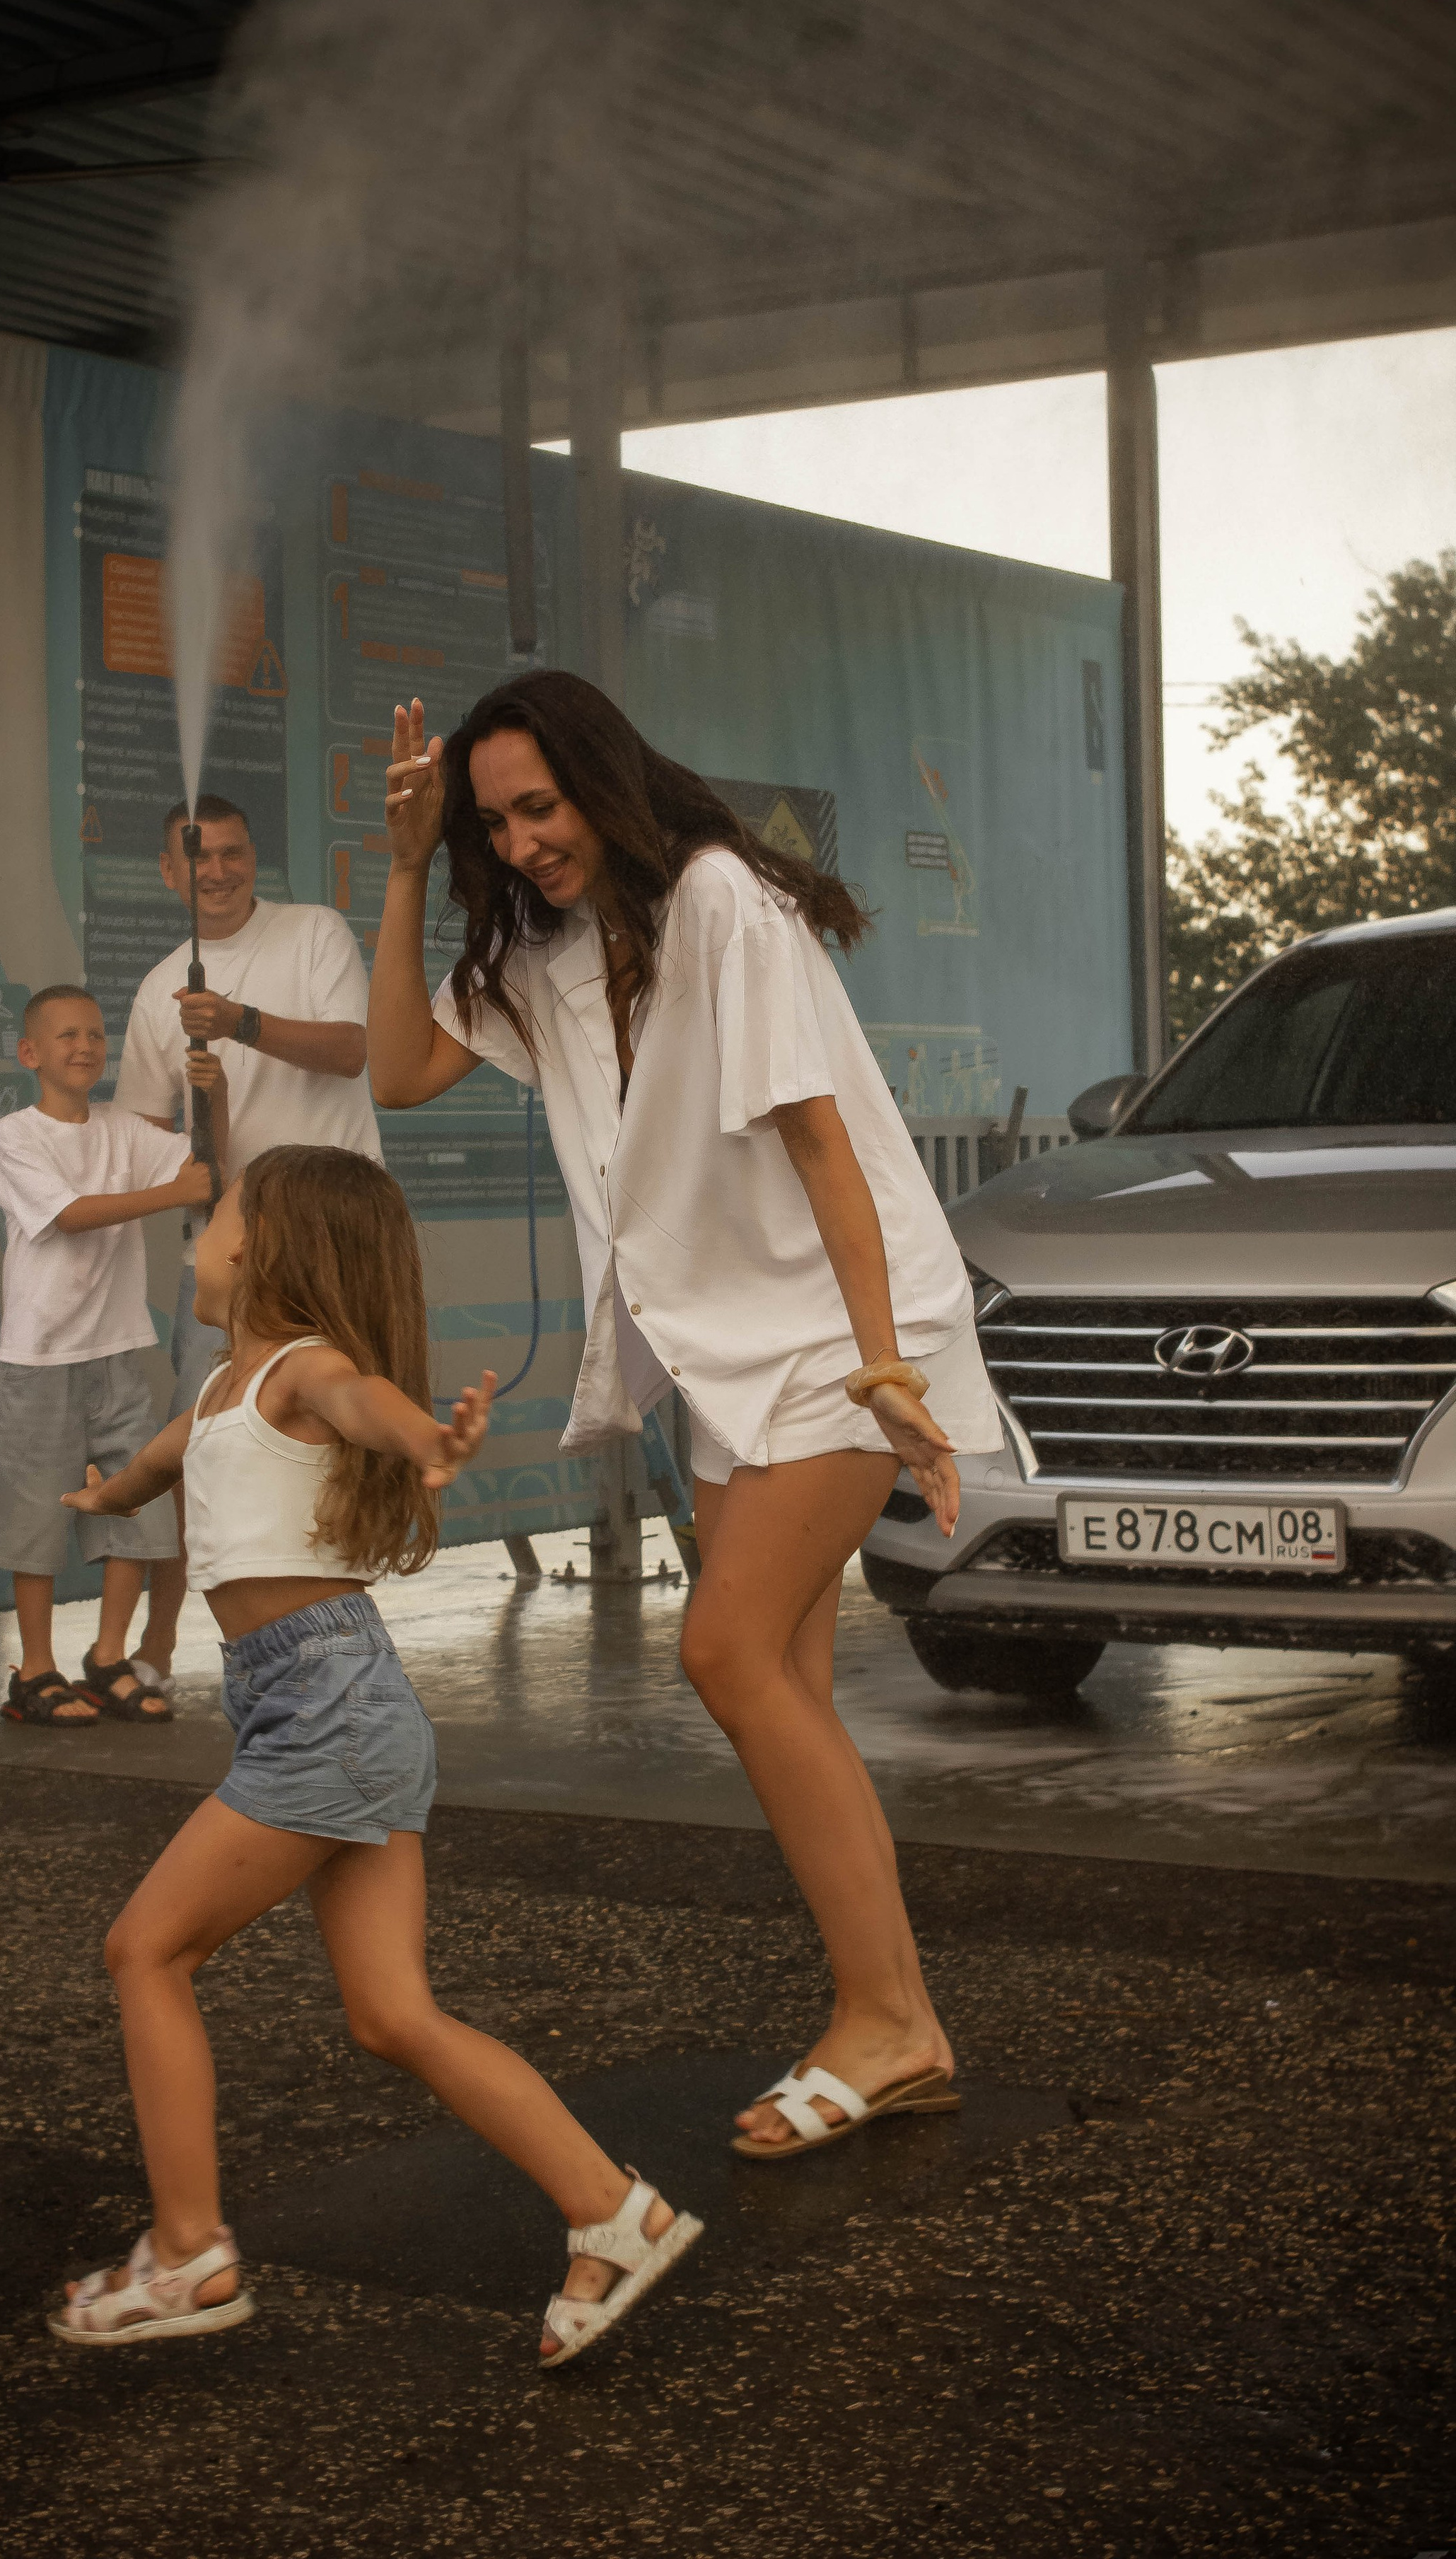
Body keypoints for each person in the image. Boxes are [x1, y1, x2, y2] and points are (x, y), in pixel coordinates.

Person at [368, 675, 1001, 2161]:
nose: (523, 843)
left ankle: (888, 2018)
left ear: (603, 779)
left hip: (845, 1335)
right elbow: (398, 1070)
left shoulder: (719, 898)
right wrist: (401, 867)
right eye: (494, 823)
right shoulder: (541, 945)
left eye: (542, 805)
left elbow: (822, 1143)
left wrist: (887, 1372)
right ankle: (887, 2017)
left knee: (718, 1647)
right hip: (721, 1353)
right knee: (780, 1675)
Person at [49, 1143, 701, 2361]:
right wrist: (101, 1498)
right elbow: (160, 1462)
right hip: (320, 1701)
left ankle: (189, 2255)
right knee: (393, 2015)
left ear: (259, 1247)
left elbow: (367, 1403)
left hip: (327, 1703)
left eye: (216, 1216)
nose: (197, 1236)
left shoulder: (303, 1368)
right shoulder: (222, 1389)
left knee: (146, 1950)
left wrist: (427, 1441)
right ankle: (614, 2212)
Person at [112, 794, 384, 1685]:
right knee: (217, 1438)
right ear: (168, 874)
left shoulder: (314, 931)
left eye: (232, 852)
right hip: (232, 1248)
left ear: (252, 855)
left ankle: (340, 1636)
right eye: (198, 858)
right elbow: (151, 1135)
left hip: (339, 1236)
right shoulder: (159, 989)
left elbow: (353, 1050)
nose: (217, 870)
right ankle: (197, 1645)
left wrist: (240, 1023)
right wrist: (208, 1121)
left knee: (341, 1431)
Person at [0, 982, 225, 1727]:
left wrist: (218, 1091)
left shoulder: (124, 1129)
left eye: (94, 1035)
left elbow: (205, 1167)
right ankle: (34, 1669)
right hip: (39, 1356)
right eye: (67, 1036)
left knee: (133, 1503)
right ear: (31, 1053)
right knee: (34, 1512)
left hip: (118, 1350)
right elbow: (72, 1217)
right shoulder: (18, 1135)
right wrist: (168, 1196)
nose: (84, 1047)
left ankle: (108, 1658)